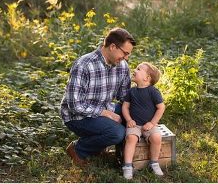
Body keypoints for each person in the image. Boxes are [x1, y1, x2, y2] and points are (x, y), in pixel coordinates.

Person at [60, 27, 135, 166]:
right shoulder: (84, 65)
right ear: (112, 46)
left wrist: (143, 98)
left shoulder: (122, 66)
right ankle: (78, 150)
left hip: (104, 107)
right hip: (77, 116)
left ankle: (109, 149)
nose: (126, 58)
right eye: (125, 53)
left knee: (133, 117)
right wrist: (105, 113)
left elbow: (124, 97)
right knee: (117, 133)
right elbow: (75, 105)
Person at [121, 62, 166, 179]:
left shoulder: (153, 91)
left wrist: (152, 123)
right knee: (131, 138)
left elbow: (161, 107)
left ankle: (154, 163)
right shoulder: (132, 91)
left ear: (147, 78)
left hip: (149, 124)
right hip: (134, 124)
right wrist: (129, 119)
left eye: (138, 69)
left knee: (156, 137)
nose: (134, 70)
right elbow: (125, 107)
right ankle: (128, 166)